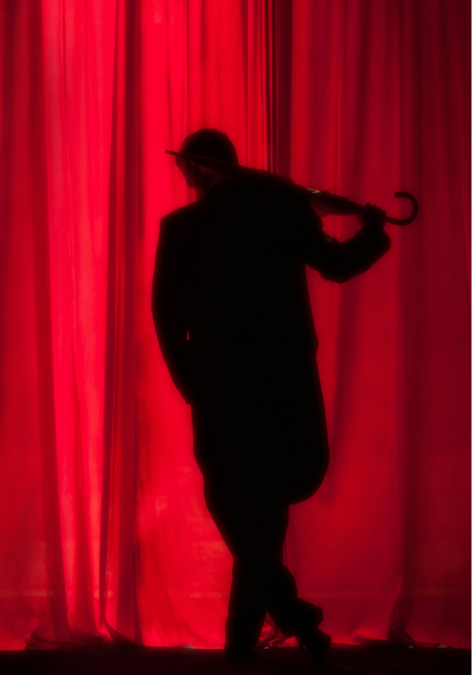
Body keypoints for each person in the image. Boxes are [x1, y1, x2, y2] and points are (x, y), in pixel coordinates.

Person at [152, 129, 390, 664]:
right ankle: (279, 628)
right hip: (283, 382)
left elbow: (167, 316)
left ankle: (265, 633)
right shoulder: (282, 210)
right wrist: (373, 232)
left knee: (236, 507)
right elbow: (338, 265)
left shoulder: (184, 226)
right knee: (265, 512)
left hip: (222, 387)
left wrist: (191, 382)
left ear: (193, 172)